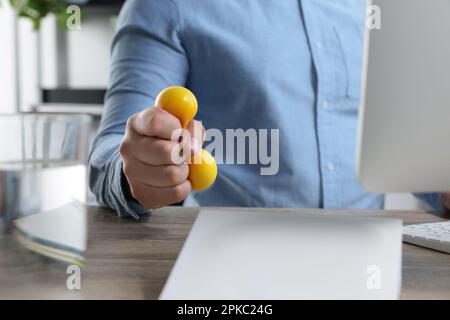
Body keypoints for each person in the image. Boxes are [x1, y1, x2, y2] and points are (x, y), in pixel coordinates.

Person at [89, 0, 450, 219]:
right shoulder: (165, 6)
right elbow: (110, 152)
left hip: (374, 266)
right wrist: (135, 170)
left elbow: (411, 148)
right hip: (231, 271)